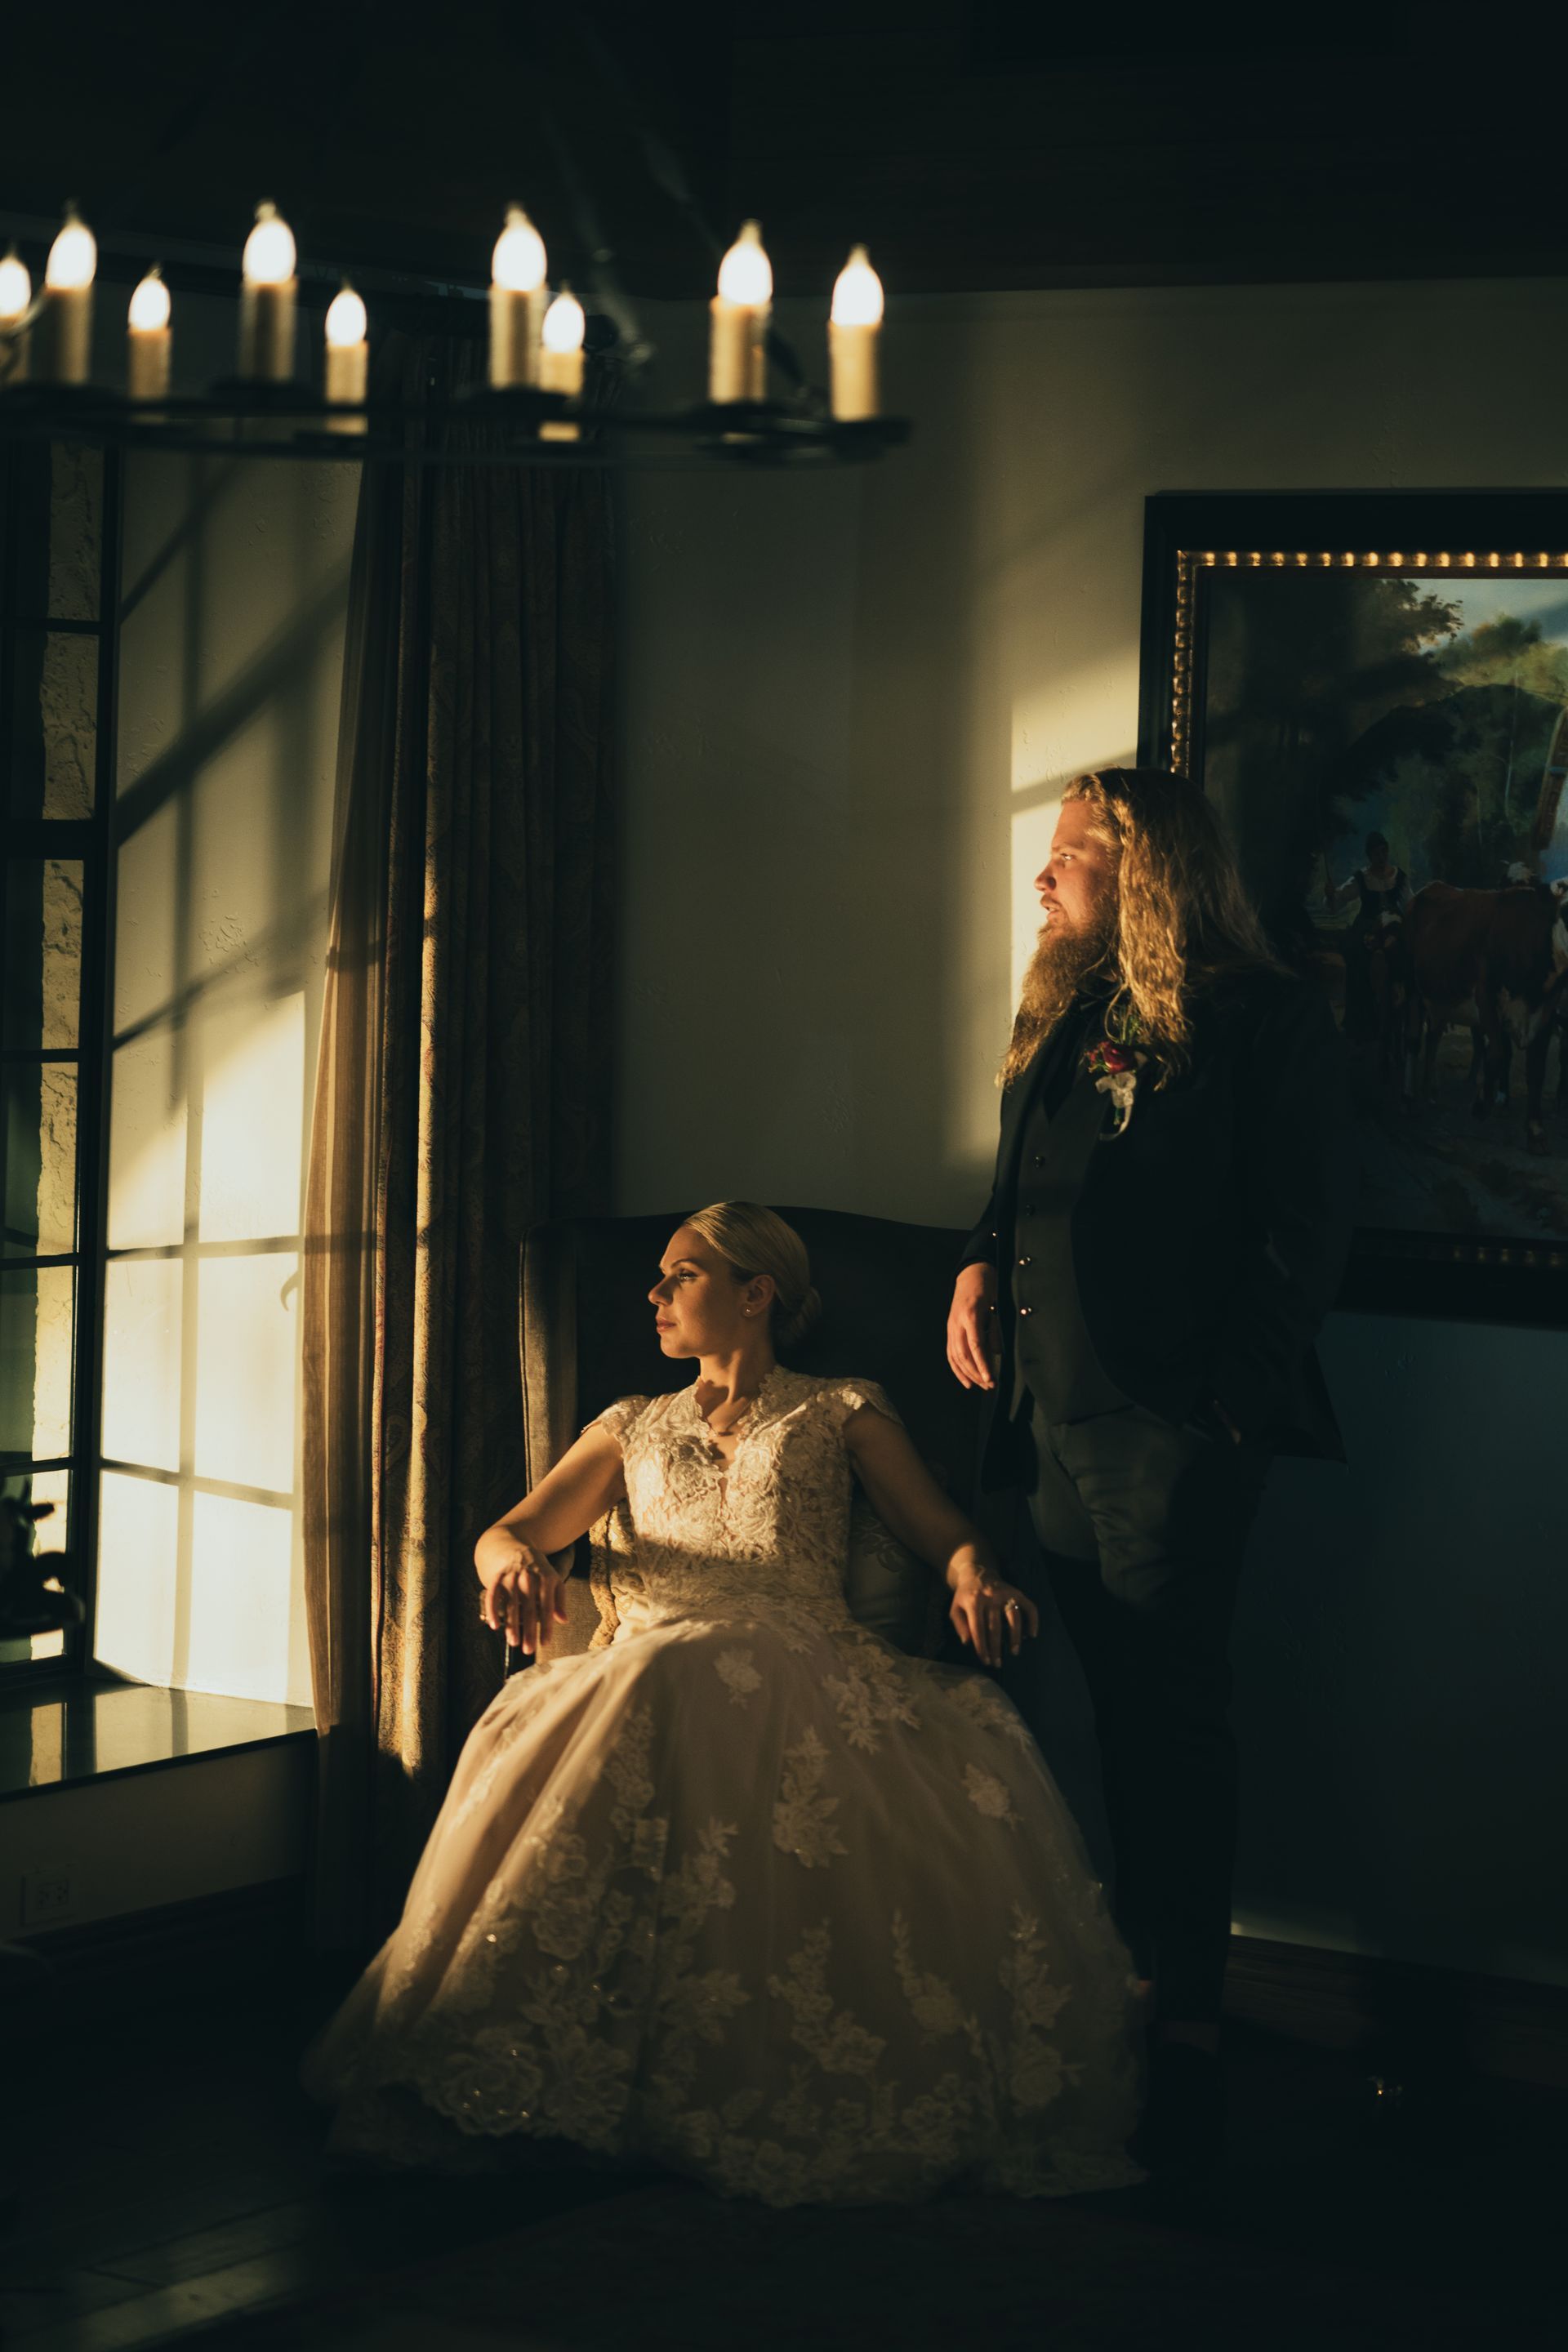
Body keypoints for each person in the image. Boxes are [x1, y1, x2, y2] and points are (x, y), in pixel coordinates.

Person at [304, 1201, 1146, 2205]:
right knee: (650, 1677)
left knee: (689, 1672)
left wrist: (972, 1577)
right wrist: (515, 1568)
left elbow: (942, 1530)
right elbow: (511, 1531)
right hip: (648, 1662)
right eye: (658, 1277)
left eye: (682, 1276)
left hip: (800, 1657)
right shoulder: (630, 1424)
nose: (653, 1295)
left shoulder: (841, 1409)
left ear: (756, 1296)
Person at [947, 769, 1354, 2177]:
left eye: (1072, 854)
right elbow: (1022, 1187)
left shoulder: (1265, 1017)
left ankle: (1188, 2013)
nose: (1044, 877)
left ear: (1151, 871)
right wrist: (974, 1256)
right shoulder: (1061, 1008)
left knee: (1177, 1713)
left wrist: (1224, 1414)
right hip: (1048, 1417)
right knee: (1113, 1706)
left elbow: (1303, 1238)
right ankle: (1127, 1971)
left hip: (1172, 1430)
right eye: (1051, 852)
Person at [1323, 831, 1413, 1040]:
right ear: (1369, 856)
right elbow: (1336, 903)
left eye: (1384, 852)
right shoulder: (1362, 878)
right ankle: (1362, 1019)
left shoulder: (1399, 877)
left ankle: (1407, 1012)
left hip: (1393, 926)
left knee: (1406, 956)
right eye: (1377, 854)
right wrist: (1331, 896)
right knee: (1357, 955)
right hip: (1368, 927)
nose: (1382, 857)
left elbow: (1411, 904)